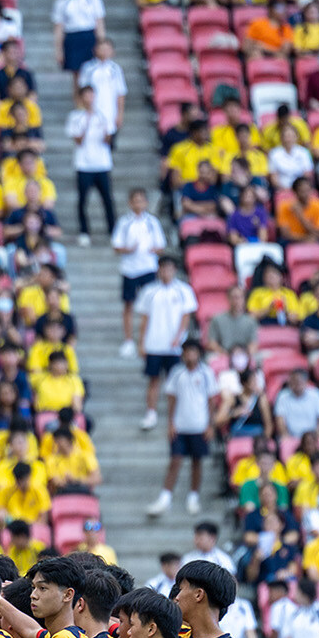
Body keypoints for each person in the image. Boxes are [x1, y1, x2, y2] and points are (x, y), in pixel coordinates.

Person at [152, 338, 215, 517]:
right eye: (187, 351)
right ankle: (165, 497)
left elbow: (211, 400)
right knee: (175, 461)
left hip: (199, 425)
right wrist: (171, 422)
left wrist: (210, 425)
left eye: (193, 351)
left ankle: (193, 496)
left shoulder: (206, 373)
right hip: (180, 426)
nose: (190, 355)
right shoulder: (176, 373)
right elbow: (172, 399)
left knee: (197, 462)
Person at [136, 260, 198, 433]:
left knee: (178, 381)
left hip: (175, 346)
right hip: (154, 344)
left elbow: (186, 316)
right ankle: (151, 412)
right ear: (158, 270)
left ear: (175, 270)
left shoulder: (183, 290)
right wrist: (142, 343)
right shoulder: (149, 291)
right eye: (163, 269)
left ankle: (177, 415)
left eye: (169, 269)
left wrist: (178, 338)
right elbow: (144, 319)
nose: (166, 272)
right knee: (153, 380)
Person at [113, 188, 168, 358]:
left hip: (148, 269)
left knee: (151, 305)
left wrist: (153, 250)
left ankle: (148, 338)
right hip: (129, 269)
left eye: (141, 200)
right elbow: (117, 246)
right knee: (128, 305)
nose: (138, 204)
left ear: (146, 203)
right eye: (135, 200)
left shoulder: (152, 222)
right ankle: (129, 340)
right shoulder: (124, 222)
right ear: (130, 203)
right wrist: (128, 249)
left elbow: (161, 246)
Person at [67, 86, 114, 245]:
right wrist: (86, 122)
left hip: (102, 163)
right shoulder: (75, 116)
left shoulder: (103, 115)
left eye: (91, 95)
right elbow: (78, 140)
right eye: (86, 96)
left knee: (107, 199)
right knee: (82, 200)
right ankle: (84, 231)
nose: (89, 99)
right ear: (81, 98)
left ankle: (112, 230)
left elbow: (108, 140)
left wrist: (106, 131)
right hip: (83, 164)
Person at [51, 0, 105, 75]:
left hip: (89, 35)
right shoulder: (61, 1)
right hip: (72, 37)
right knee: (77, 73)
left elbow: (99, 23)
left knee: (93, 71)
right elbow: (58, 28)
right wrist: (58, 50)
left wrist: (101, 42)